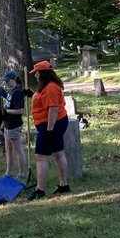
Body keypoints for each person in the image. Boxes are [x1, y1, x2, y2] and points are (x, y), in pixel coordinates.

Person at [28, 60, 70, 201]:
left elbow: (53, 109)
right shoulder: (47, 86)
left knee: (40, 156)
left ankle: (40, 190)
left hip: (51, 124)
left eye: (36, 72)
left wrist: (49, 130)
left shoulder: (51, 88)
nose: (35, 75)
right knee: (58, 153)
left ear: (42, 73)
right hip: (53, 123)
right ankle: (64, 185)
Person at [1, 69, 27, 179]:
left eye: (7, 81)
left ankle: (21, 174)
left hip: (14, 125)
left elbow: (20, 110)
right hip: (7, 124)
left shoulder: (18, 92)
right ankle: (8, 172)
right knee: (8, 150)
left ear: (13, 80)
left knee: (18, 150)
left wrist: (6, 111)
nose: (6, 83)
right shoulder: (11, 91)